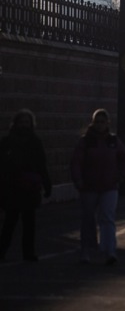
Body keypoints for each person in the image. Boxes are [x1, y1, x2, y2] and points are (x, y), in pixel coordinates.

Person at [70, 108, 125, 265]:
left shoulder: (113, 141)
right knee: (88, 219)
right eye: (97, 122)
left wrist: (121, 176)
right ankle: (86, 250)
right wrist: (78, 180)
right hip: (89, 186)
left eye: (103, 122)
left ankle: (110, 251)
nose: (100, 125)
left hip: (109, 186)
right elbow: (76, 162)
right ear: (93, 123)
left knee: (107, 218)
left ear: (107, 123)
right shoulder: (85, 141)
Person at [0, 109, 52, 262]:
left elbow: (42, 165)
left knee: (28, 223)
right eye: (21, 122)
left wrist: (47, 184)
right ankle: (3, 250)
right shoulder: (7, 142)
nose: (24, 125)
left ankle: (28, 252)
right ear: (15, 124)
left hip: (29, 187)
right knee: (10, 222)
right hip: (13, 187)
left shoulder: (35, 142)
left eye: (27, 122)